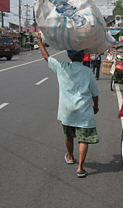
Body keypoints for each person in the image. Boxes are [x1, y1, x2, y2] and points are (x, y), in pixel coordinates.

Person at [36, 32, 100, 178]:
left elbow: (46, 57)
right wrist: (96, 106)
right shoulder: (87, 72)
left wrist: (39, 40)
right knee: (83, 138)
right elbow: (95, 93)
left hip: (67, 110)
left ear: (69, 56)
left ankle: (70, 157)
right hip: (83, 110)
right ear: (83, 56)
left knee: (69, 135)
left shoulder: (62, 67)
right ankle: (80, 168)